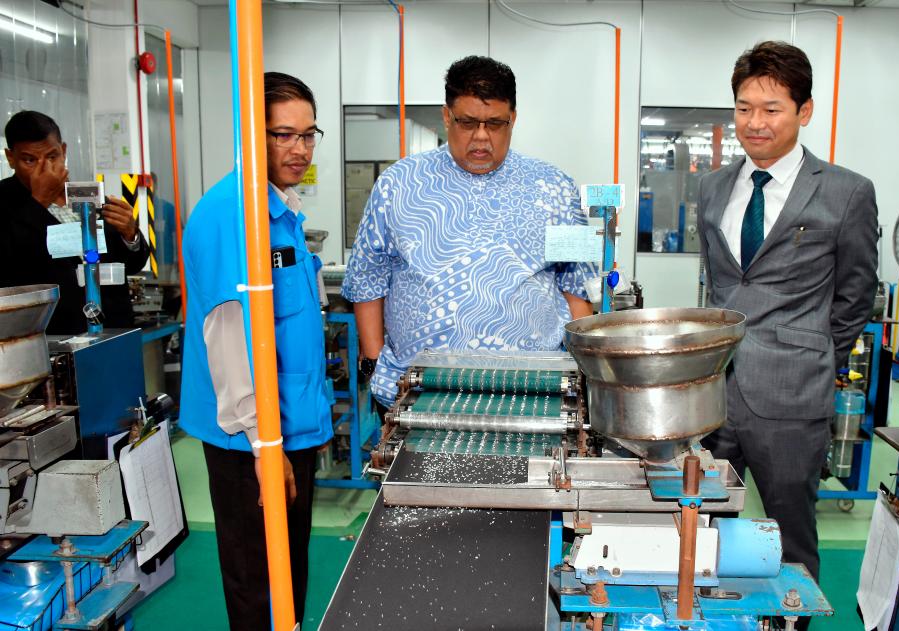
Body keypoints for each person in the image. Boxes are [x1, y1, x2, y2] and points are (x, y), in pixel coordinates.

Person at [697, 41, 878, 604]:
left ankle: (795, 619)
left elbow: (856, 293)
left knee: (792, 538)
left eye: (771, 109)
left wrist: (813, 354)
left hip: (794, 397)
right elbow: (723, 285)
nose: (755, 123)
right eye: (744, 107)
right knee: (697, 528)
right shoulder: (712, 188)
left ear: (804, 111)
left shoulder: (847, 192)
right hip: (714, 392)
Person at [343, 55, 597, 410]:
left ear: (513, 118)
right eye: (467, 123)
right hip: (419, 394)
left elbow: (577, 286)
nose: (481, 137)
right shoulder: (398, 183)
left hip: (532, 392)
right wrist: (373, 364)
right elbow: (368, 279)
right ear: (446, 116)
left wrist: (587, 376)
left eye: (495, 124)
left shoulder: (555, 186)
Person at [178, 72, 332, 631]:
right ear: (249, 134)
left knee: (288, 572)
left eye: (308, 133)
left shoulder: (281, 211)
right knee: (256, 582)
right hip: (250, 437)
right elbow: (226, 339)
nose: (299, 148)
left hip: (292, 426)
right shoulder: (229, 215)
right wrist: (264, 449)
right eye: (281, 135)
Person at [0, 110, 149, 333]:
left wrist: (131, 235)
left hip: (112, 331)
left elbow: (130, 264)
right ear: (11, 158)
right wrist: (38, 203)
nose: (46, 169)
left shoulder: (86, 197)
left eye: (52, 156)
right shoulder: (4, 203)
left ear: (64, 151)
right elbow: (11, 267)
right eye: (30, 160)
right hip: (53, 338)